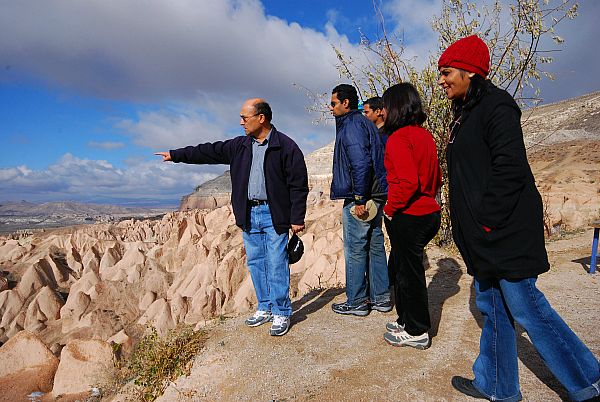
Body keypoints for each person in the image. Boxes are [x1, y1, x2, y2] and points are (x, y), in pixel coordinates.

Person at [438, 35, 600, 401]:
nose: (442, 80)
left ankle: (588, 382)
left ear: (470, 72)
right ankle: (497, 386)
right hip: (484, 237)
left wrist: (485, 223)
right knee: (493, 306)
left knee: (527, 308)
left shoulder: (498, 107)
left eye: (447, 72)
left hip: (505, 232)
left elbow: (509, 171)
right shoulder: (463, 113)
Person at [155, 98, 308, 337]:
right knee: (256, 262)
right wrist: (176, 155)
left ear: (261, 118)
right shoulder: (240, 146)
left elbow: (299, 185)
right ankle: (265, 307)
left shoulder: (285, 146)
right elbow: (208, 150)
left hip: (274, 213)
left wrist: (297, 217)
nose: (240, 123)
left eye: (244, 118)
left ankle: (281, 312)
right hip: (249, 213)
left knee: (277, 263)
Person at [379, 83, 442, 350]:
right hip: (428, 212)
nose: (382, 111)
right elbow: (437, 178)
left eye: (385, 106)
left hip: (409, 214)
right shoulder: (424, 136)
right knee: (404, 270)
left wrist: (389, 210)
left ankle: (417, 330)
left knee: (410, 273)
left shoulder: (398, 138)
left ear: (395, 108)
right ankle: (406, 320)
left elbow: (406, 183)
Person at [329, 84, 391, 316]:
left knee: (355, 249)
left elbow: (361, 163)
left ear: (346, 103)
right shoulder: (365, 123)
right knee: (375, 246)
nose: (331, 107)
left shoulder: (352, 126)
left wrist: (358, 198)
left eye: (334, 103)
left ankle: (356, 301)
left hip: (361, 197)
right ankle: (381, 298)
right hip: (375, 195)